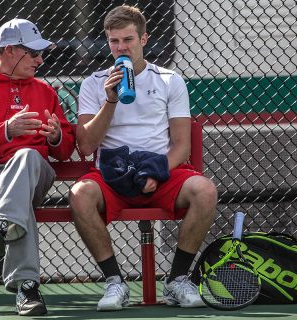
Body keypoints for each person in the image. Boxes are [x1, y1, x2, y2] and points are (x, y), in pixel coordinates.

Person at [69, 5, 217, 311]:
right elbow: (86, 145)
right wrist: (110, 100)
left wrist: (156, 172)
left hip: (158, 171)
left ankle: (177, 280)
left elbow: (180, 144)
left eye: (128, 40)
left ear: (144, 39)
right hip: (113, 174)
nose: (121, 48)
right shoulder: (93, 83)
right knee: (79, 194)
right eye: (114, 41)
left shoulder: (169, 80)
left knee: (205, 190)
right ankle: (115, 283)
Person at [0, 18, 75, 316]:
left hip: (33, 175)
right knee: (17, 208)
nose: (40, 59)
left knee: (27, 156)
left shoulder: (46, 91)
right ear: (8, 51)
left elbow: (66, 148)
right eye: (33, 53)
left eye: (39, 53)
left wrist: (57, 136)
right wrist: (5, 130)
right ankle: (27, 287)